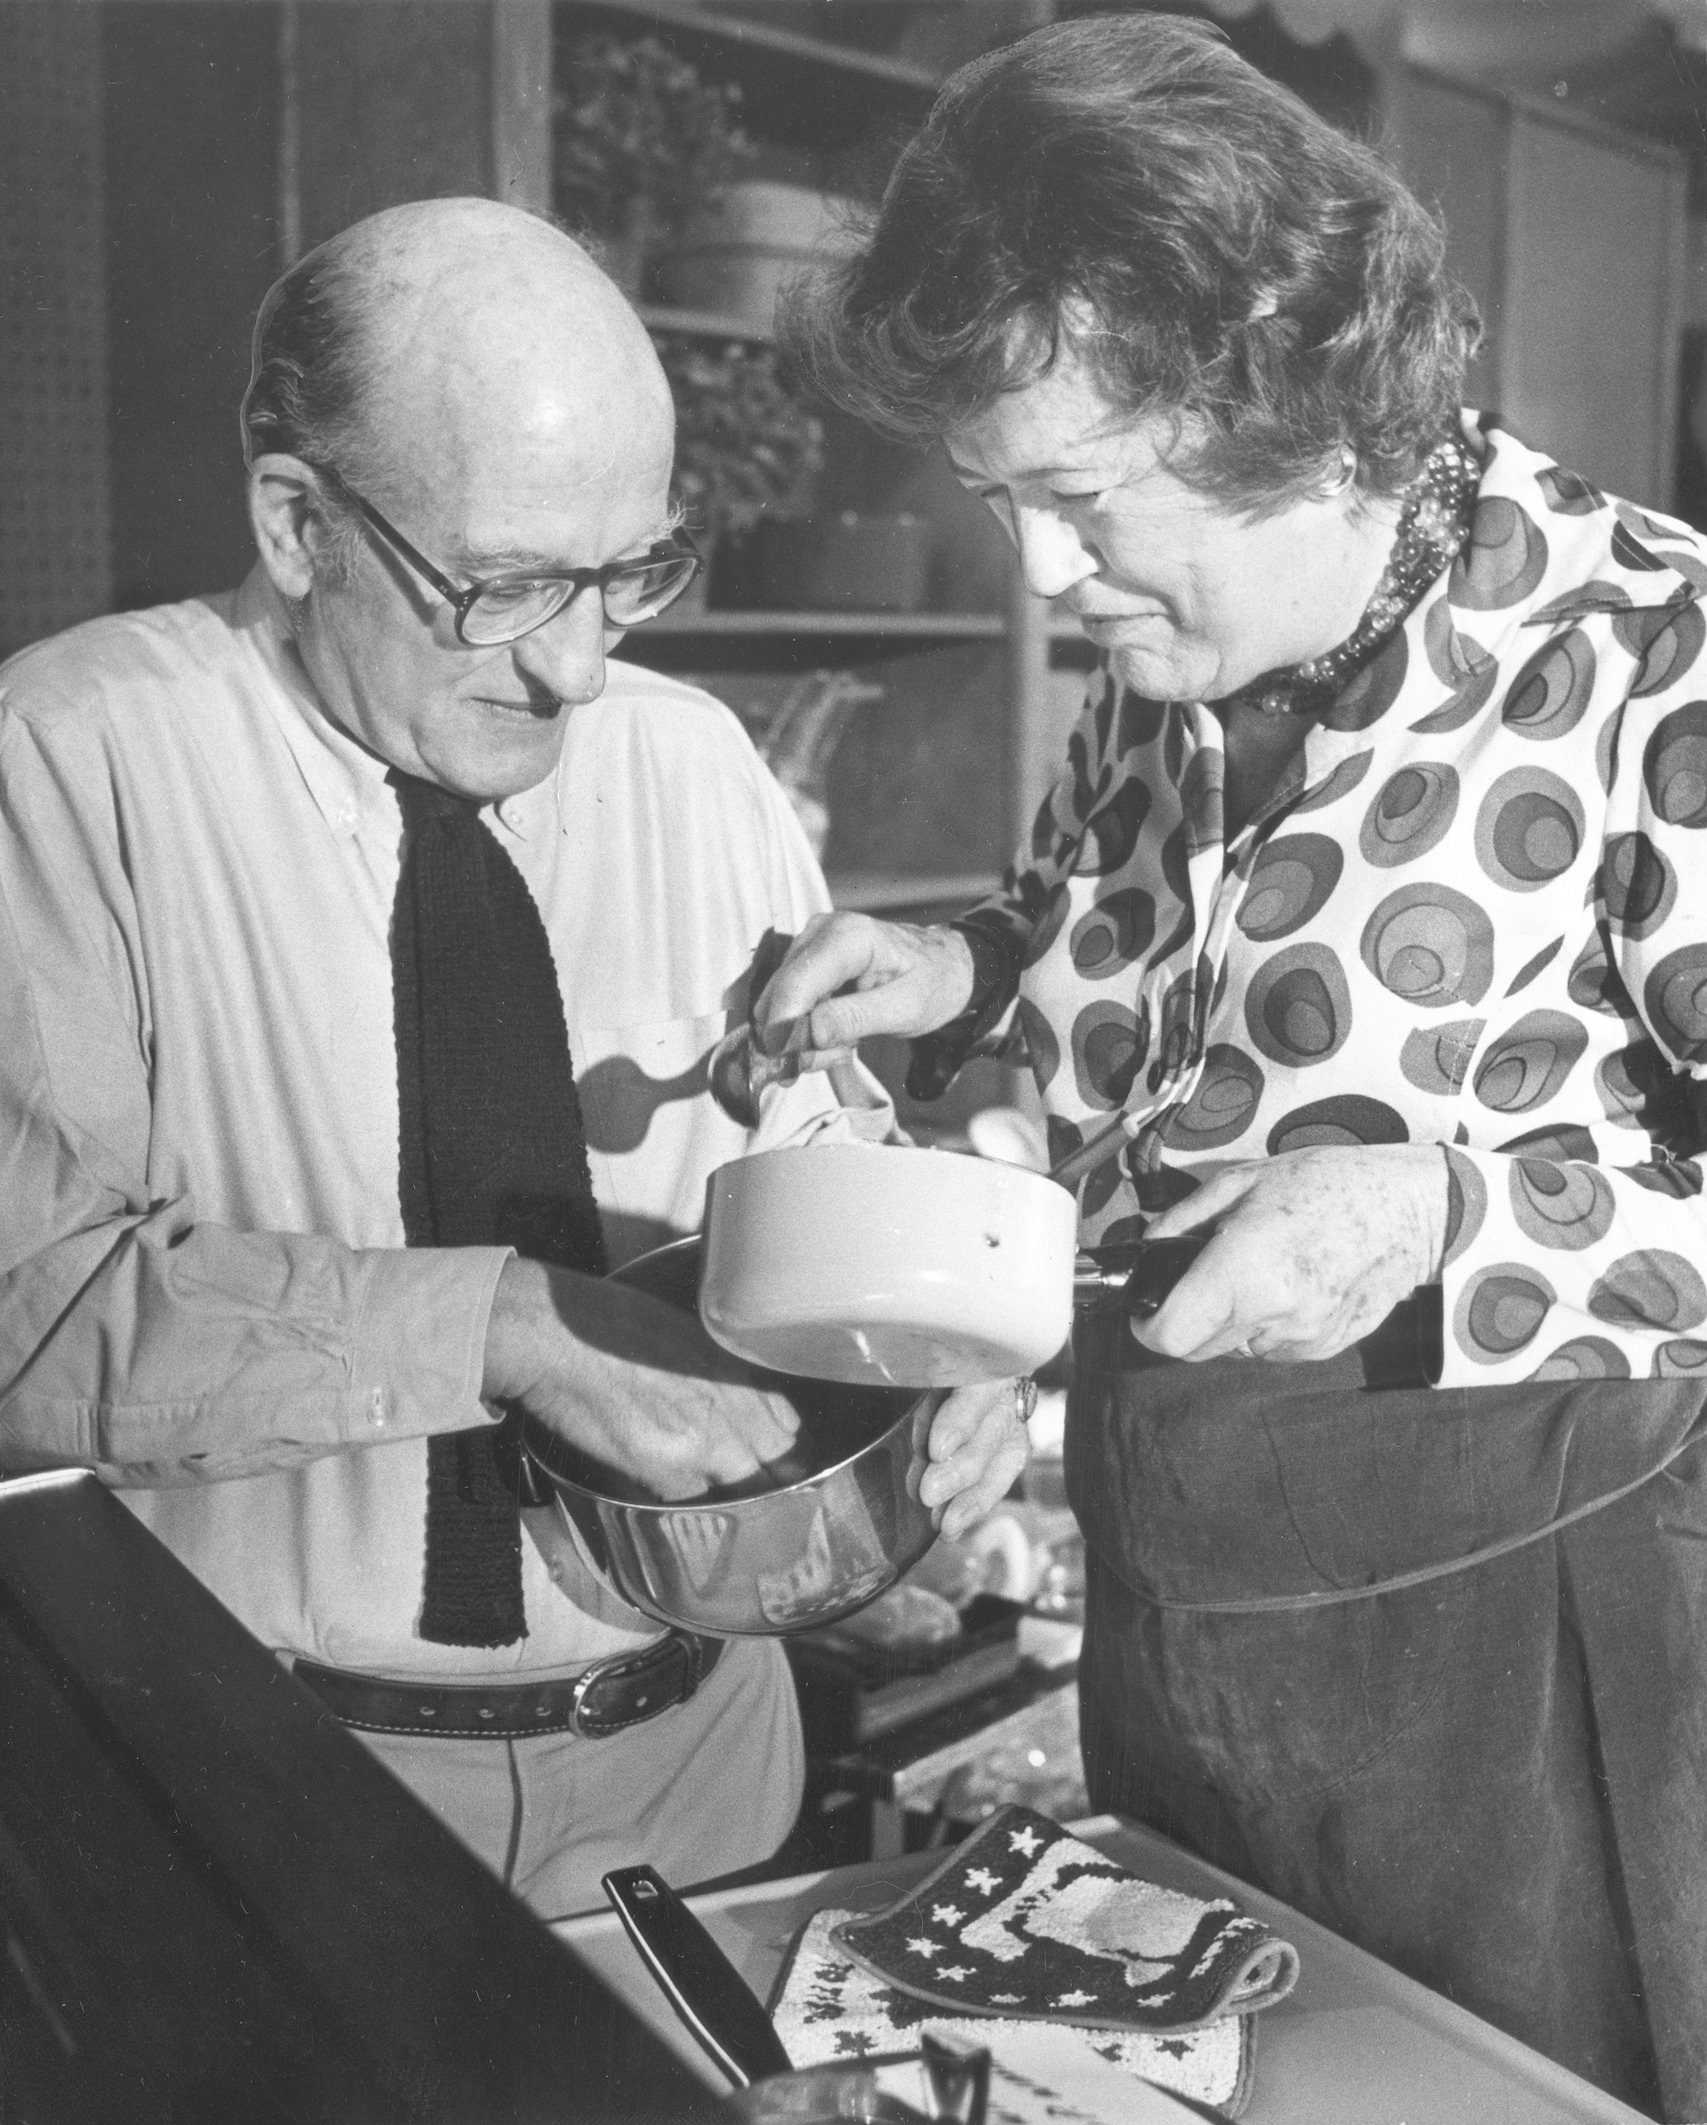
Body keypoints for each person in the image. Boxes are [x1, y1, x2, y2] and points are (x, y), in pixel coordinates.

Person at [756, 17, 1707, 2119]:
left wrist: (1440, 1209)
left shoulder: (1647, 651)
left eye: (1073, 501)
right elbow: (1133, 973)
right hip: (1177, 1584)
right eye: (995, 501)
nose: (1030, 573)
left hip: (1510, 1665)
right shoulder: (1170, 663)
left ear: (1292, 400)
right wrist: (964, 962)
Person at [0, 198, 1027, 1920]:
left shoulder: (699, 770)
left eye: (632, 570)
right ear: (301, 520)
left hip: (703, 1774)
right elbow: (29, 1312)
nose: (578, 661)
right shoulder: (72, 763)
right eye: (512, 583)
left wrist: (938, 1357)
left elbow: (832, 1172)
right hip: (264, 1797)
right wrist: (510, 1323)